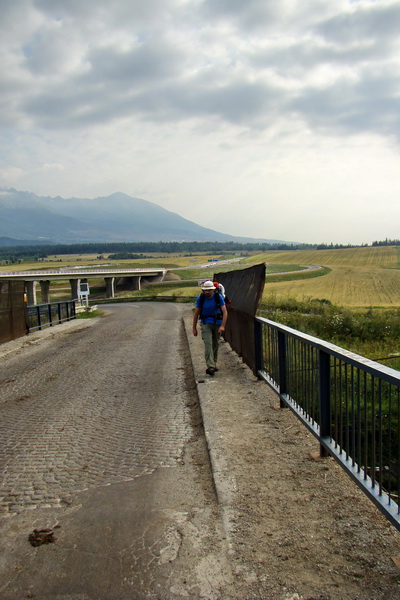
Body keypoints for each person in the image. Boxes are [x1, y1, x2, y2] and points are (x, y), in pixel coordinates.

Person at [192, 280, 228, 376]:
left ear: (213, 290)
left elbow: (225, 312)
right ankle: (210, 366)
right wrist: (194, 328)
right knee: (208, 343)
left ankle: (213, 364)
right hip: (205, 323)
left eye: (209, 290)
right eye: (205, 290)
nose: (207, 292)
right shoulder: (201, 298)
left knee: (215, 343)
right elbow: (196, 313)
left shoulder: (218, 297)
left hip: (217, 323)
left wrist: (223, 326)